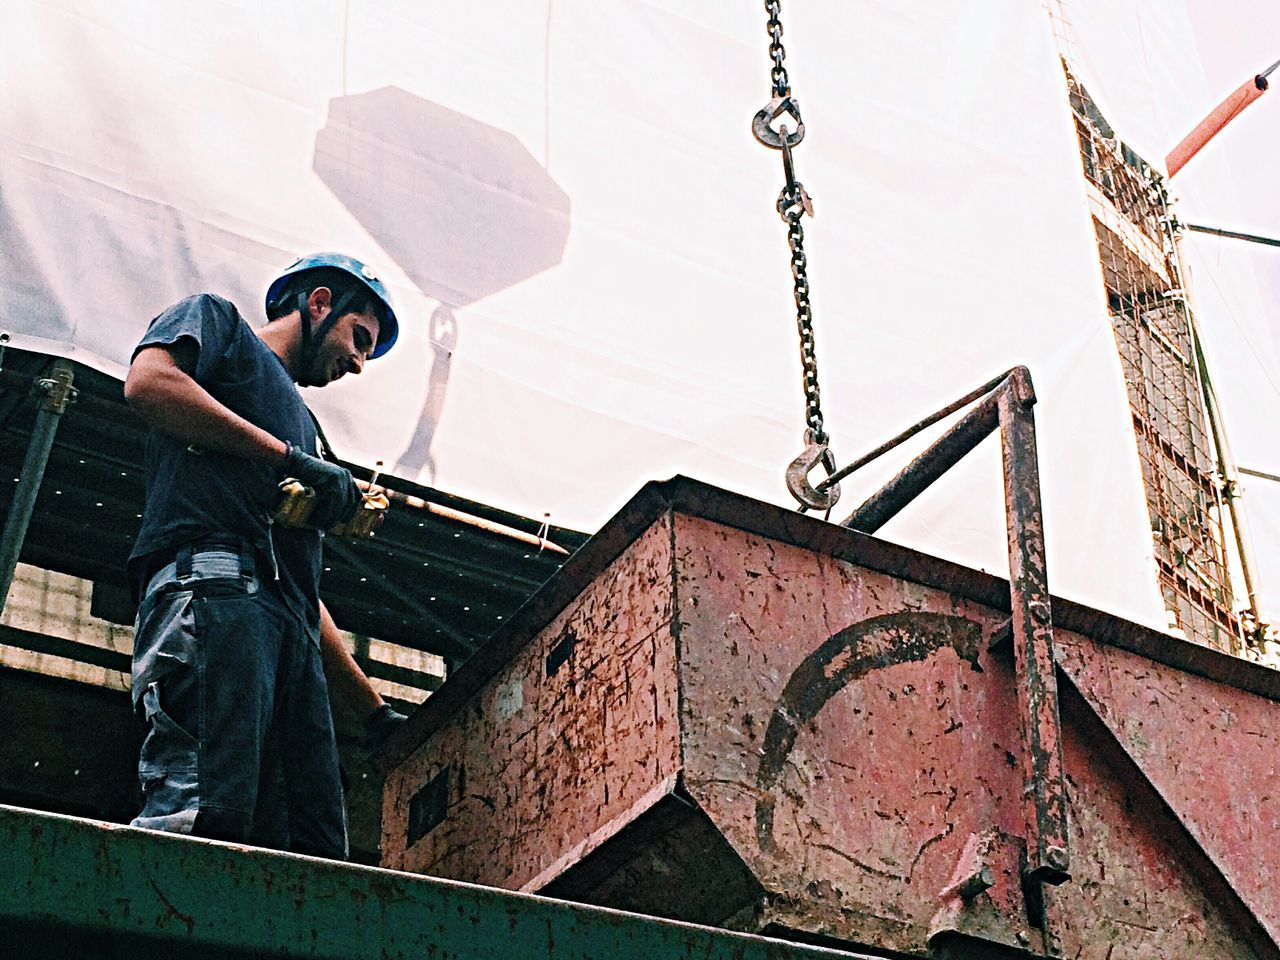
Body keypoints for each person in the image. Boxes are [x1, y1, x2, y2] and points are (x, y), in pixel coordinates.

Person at [123, 252, 407, 859]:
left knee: (314, 848)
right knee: (202, 817)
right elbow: (149, 383)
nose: (358, 363)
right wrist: (287, 458)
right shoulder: (218, 326)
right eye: (361, 339)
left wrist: (374, 711)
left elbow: (303, 597)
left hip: (287, 637)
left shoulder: (306, 428)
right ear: (320, 302)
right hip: (214, 596)